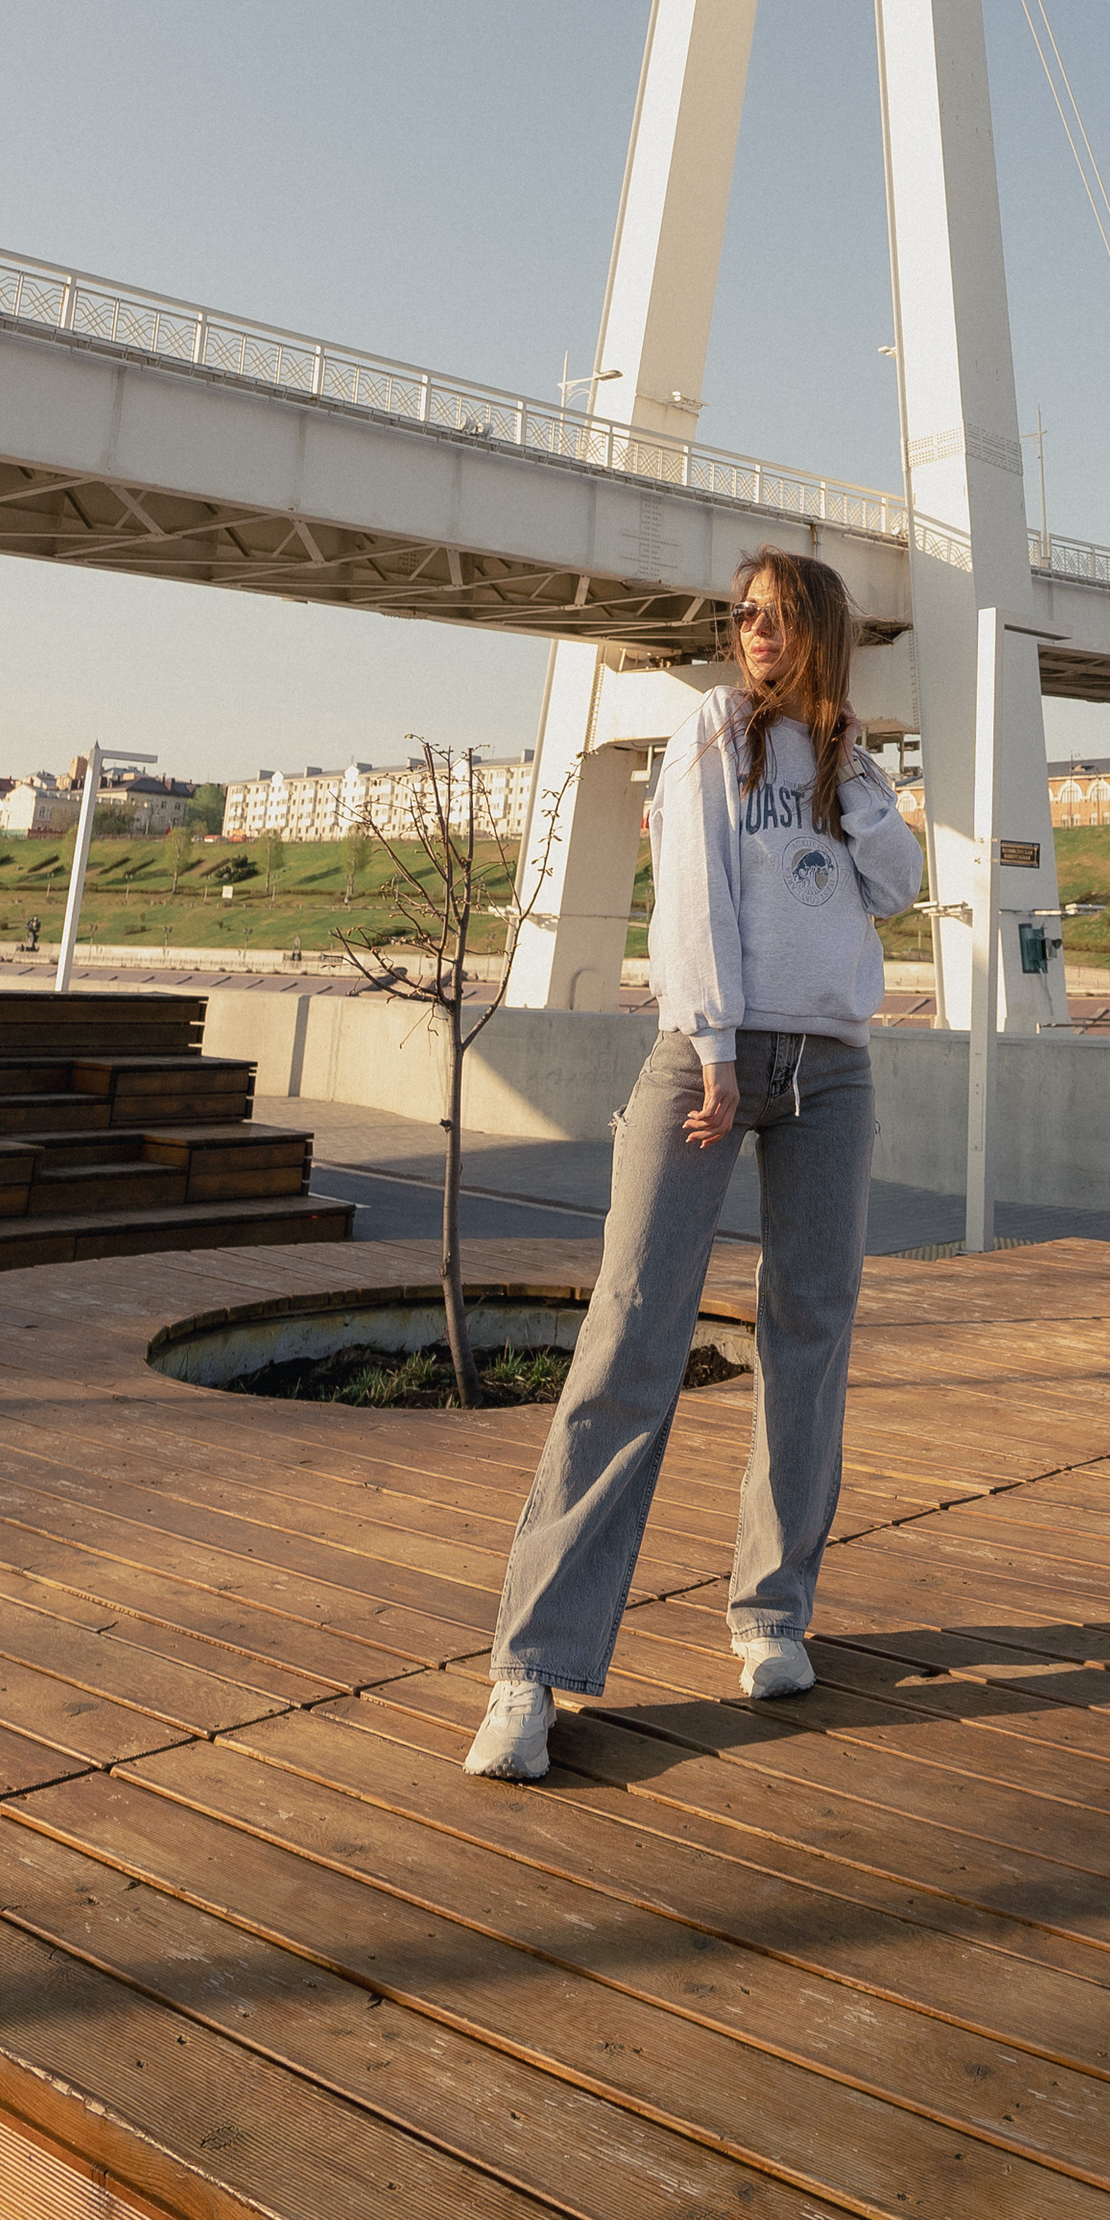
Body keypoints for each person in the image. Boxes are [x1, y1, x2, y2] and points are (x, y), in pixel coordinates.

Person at [466, 544, 925, 1779]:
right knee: (631, 1334)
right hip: (702, 1057)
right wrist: (716, 1045)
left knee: (810, 1331)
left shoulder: (848, 761)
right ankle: (531, 1668)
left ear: (820, 633)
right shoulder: (711, 731)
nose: (755, 634)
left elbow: (900, 880)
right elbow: (692, 904)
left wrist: (848, 761)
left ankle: (772, 1612)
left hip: (830, 1067)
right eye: (744, 616)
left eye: (779, 619)